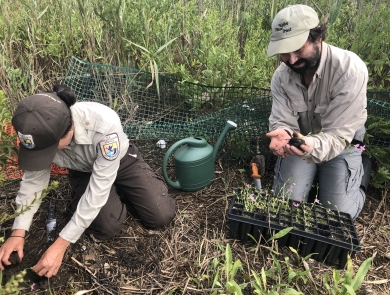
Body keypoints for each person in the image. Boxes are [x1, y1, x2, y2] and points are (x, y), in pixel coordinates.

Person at [0, 84, 176, 277]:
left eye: (48, 150)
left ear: (69, 130)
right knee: (106, 227)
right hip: (82, 171)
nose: (44, 156)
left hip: (122, 161)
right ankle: (114, 200)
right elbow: (33, 182)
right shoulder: (37, 129)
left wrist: (60, 244)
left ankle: (125, 191)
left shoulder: (103, 124)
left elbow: (98, 189)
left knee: (161, 216)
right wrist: (18, 232)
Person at [265, 4, 370, 220]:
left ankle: (360, 172)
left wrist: (310, 146)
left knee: (339, 216)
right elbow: (282, 120)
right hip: (299, 141)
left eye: (298, 48)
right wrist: (282, 134)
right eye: (284, 52)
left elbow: (338, 135)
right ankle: (317, 177)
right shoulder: (281, 77)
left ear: (318, 37)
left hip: (342, 143)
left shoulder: (350, 70)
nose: (292, 60)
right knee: (285, 208)